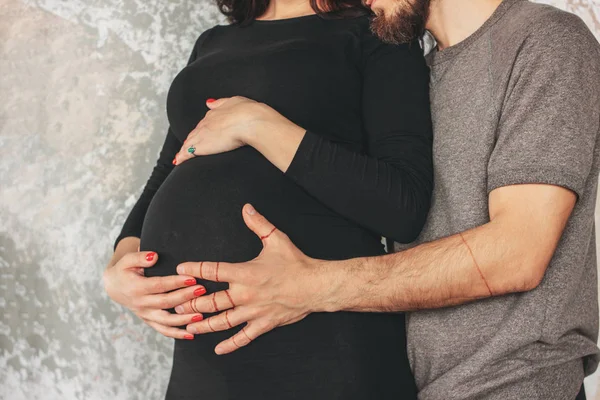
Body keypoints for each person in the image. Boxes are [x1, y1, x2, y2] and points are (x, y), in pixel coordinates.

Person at [169, 0, 600, 399]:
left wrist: (306, 287)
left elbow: (516, 254)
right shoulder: (421, 73)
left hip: (514, 381)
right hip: (419, 383)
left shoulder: (547, 39)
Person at [103, 0, 434, 399]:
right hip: (202, 358)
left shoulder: (376, 29)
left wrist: (258, 125)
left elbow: (403, 205)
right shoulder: (212, 41)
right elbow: (170, 169)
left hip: (320, 345)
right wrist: (121, 266)